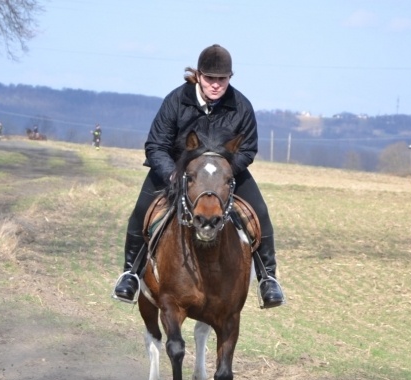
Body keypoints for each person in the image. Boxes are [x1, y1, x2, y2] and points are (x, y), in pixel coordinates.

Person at [112, 44, 285, 309]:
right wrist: (173, 174)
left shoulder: (241, 105)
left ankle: (268, 279)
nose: (216, 85)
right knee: (141, 210)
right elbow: (156, 145)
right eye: (210, 79)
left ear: (230, 78)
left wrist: (224, 174)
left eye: (222, 79)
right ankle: (130, 274)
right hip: (176, 170)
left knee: (259, 212)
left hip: (224, 173)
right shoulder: (176, 100)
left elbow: (248, 149)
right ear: (198, 75)